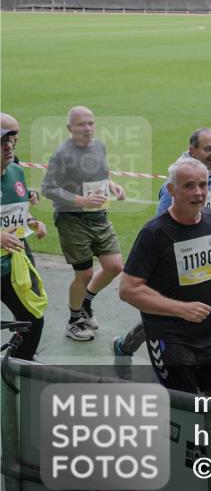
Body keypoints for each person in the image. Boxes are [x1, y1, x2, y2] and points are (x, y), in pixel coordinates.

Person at [113, 127, 211, 362]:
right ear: (193, 150)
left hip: (205, 248)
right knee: (168, 314)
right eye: (208, 149)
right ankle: (126, 346)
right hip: (179, 259)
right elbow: (163, 223)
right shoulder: (177, 181)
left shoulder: (210, 171)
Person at [40, 106, 126, 341]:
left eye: (91, 123)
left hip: (98, 216)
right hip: (71, 219)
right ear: (70, 128)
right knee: (85, 272)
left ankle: (85, 304)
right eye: (81, 124)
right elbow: (47, 188)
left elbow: (103, 173)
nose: (87, 128)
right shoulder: (62, 154)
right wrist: (80, 200)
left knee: (115, 266)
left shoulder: (99, 146)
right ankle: (73, 321)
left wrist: (113, 185)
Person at [1, 114, 48, 360]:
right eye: (2, 142)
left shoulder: (17, 173)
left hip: (13, 264)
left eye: (11, 141)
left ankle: (20, 366)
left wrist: (32, 223)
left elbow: (16, 214)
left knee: (32, 320)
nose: (8, 147)